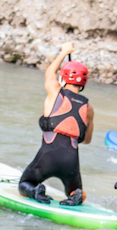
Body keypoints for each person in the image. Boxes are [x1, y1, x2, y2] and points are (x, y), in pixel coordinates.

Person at [17, 42, 95, 206]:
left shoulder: (55, 90)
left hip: (48, 155)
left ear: (64, 76)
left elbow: (50, 72)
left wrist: (64, 52)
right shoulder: (88, 109)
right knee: (73, 190)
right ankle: (77, 194)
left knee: (25, 183)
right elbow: (87, 140)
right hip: (71, 160)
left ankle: (35, 190)